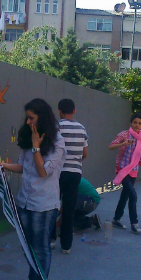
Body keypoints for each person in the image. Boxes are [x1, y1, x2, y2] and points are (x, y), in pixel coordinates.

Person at [0, 99, 66, 280]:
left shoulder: (57, 143)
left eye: (31, 118)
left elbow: (43, 171)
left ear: (41, 119)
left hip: (43, 204)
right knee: (27, 246)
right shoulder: (28, 139)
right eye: (27, 117)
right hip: (24, 202)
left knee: (40, 246)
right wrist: (2, 165)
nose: (27, 122)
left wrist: (36, 148)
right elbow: (22, 167)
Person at [50, 99, 89, 254]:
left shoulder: (56, 127)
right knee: (69, 207)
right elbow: (84, 154)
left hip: (58, 172)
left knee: (53, 204)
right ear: (74, 110)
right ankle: (66, 245)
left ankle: (51, 239)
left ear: (59, 111)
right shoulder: (82, 129)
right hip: (75, 173)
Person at [108, 112, 141, 234]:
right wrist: (124, 143)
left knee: (125, 196)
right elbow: (111, 146)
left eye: (140, 123)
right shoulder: (124, 134)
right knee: (133, 195)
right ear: (131, 123)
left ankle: (116, 219)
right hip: (122, 170)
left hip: (134, 170)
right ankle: (134, 223)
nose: (137, 125)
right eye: (135, 122)